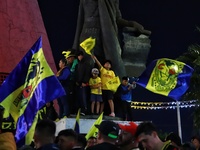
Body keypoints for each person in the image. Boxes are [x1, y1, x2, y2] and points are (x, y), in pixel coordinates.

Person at [72, 0, 151, 79]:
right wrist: (75, 46)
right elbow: (80, 20)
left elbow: (117, 19)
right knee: (86, 67)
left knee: (110, 67)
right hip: (87, 37)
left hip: (107, 37)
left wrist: (131, 24)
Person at [75, 51, 93, 115]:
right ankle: (79, 110)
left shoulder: (86, 64)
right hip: (78, 84)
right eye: (78, 56)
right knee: (79, 97)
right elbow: (76, 74)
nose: (79, 57)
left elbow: (87, 74)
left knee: (84, 97)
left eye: (80, 55)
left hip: (84, 84)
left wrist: (85, 82)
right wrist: (77, 81)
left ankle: (84, 110)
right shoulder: (77, 65)